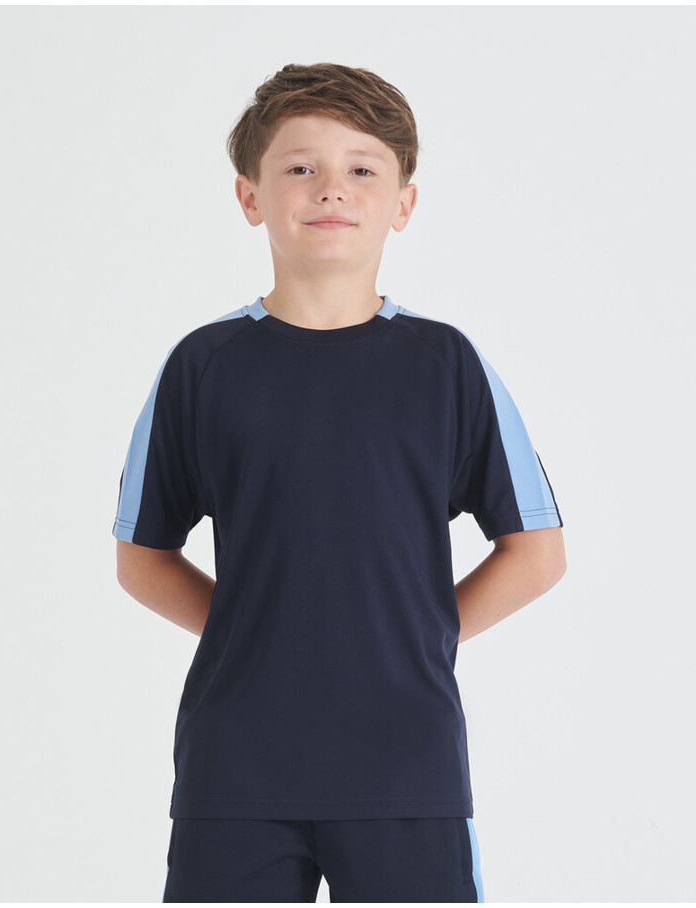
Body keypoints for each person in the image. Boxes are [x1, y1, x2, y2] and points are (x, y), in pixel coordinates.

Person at [112, 62, 566, 903]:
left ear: (403, 203)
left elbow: (536, 552)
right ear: (250, 196)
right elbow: (141, 555)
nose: (331, 188)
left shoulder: (446, 365)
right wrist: (258, 631)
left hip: (407, 767)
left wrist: (410, 637)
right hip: (235, 770)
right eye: (300, 167)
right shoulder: (203, 367)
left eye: (362, 169)